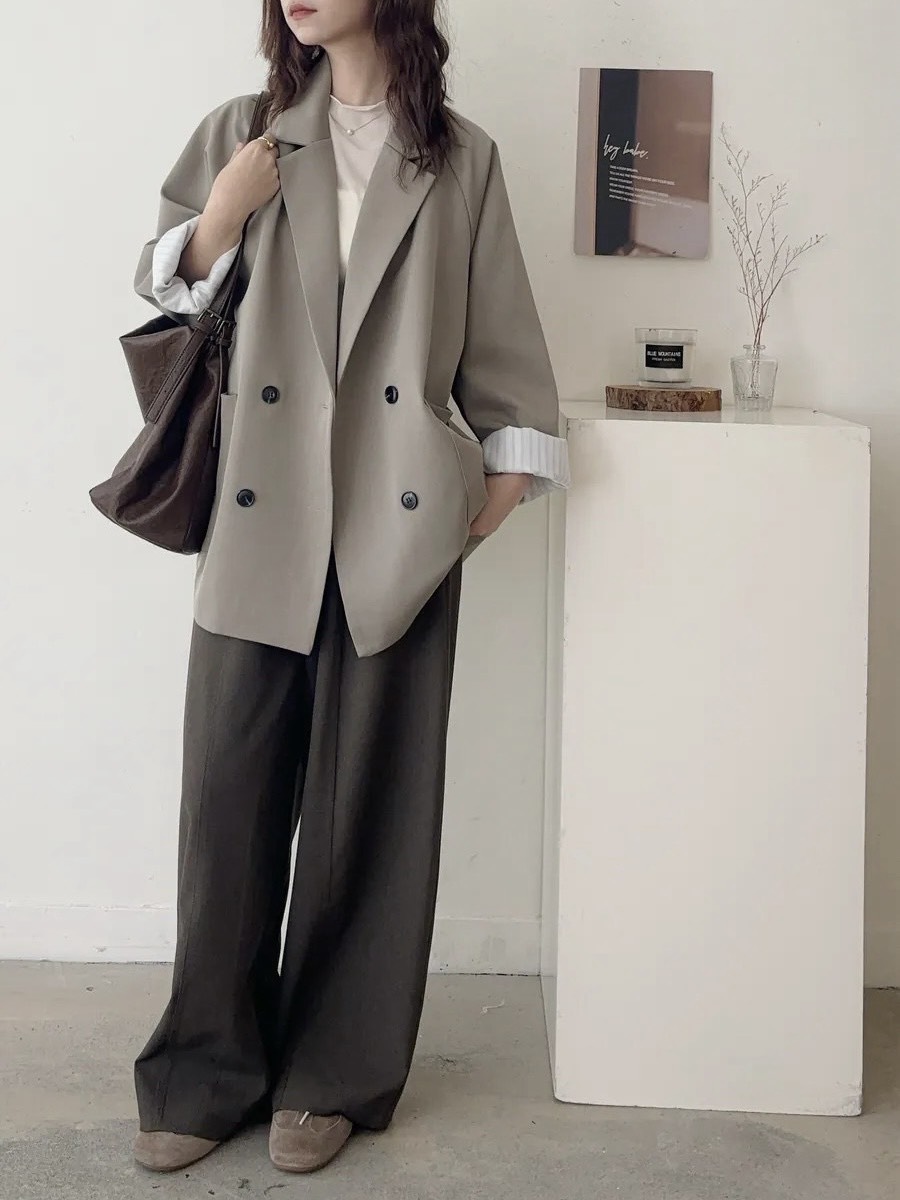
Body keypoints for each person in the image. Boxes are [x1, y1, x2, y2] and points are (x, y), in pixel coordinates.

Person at [129, 0, 569, 1176]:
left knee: (368, 816)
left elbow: (507, 352)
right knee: (227, 804)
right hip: (261, 517)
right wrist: (224, 213)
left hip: (397, 524)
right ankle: (203, 1070)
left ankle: (333, 1074)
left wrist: (488, 498)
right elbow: (163, 292)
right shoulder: (245, 128)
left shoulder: (460, 159)